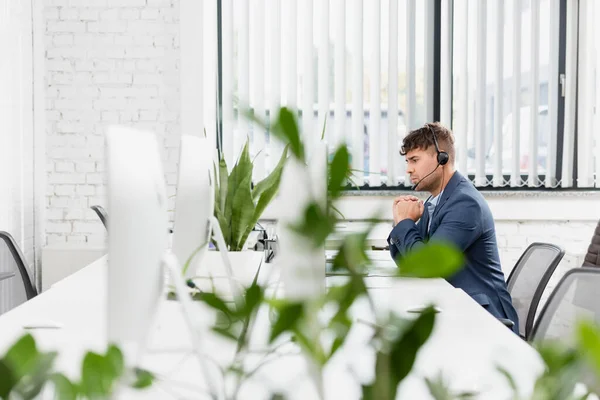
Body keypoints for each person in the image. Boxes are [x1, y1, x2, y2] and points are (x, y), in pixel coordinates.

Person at [388, 122, 519, 334]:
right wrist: (401, 222)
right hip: (456, 307)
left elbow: (427, 266)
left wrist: (405, 224)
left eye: (414, 160)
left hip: (484, 318)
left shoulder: (464, 204)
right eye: (407, 161)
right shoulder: (436, 201)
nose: (408, 169)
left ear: (442, 158)